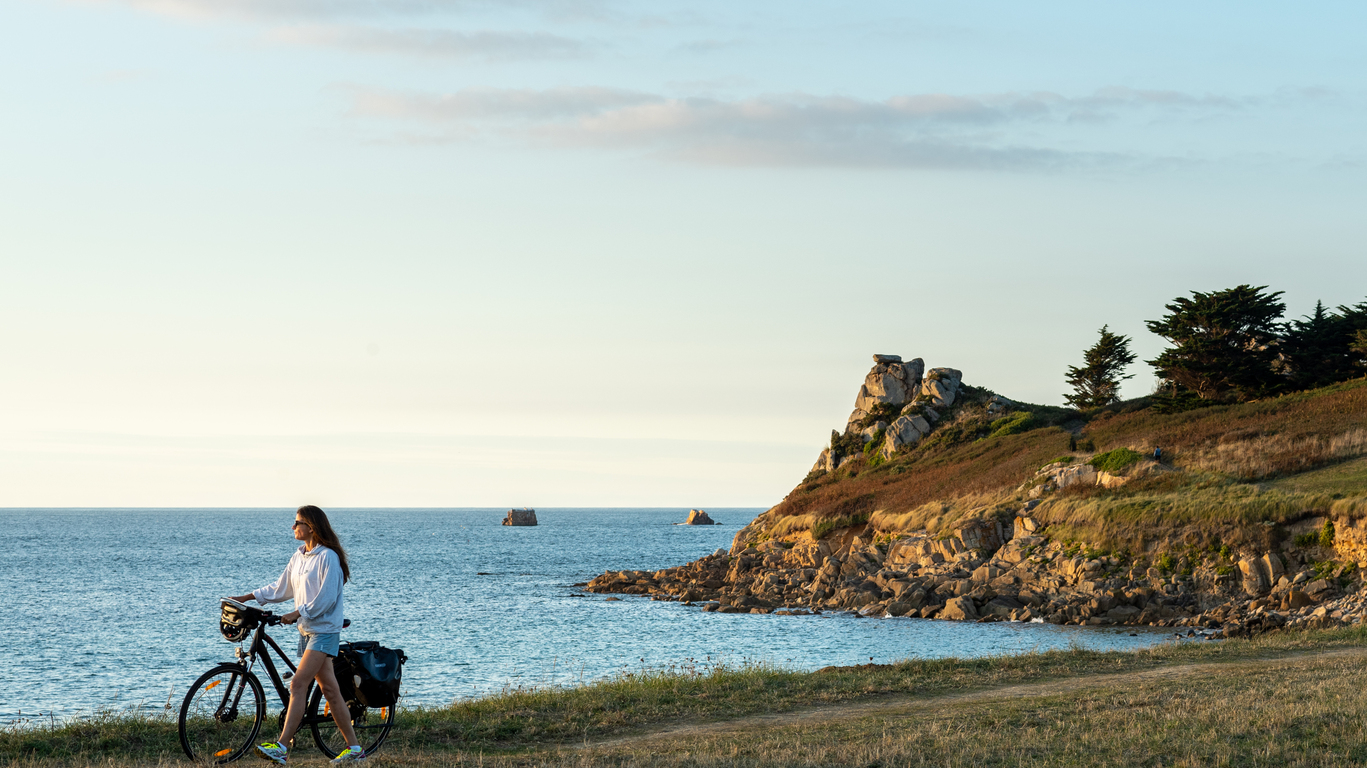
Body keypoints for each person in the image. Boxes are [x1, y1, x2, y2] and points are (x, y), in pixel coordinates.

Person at [227, 506, 365, 765]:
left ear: (311, 527)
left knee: (297, 684)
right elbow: (280, 588)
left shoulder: (328, 557)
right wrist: (247, 597)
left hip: (324, 631)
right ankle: (355, 748)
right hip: (307, 631)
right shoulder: (300, 556)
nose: (293, 527)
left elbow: (326, 599)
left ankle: (281, 747)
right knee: (331, 691)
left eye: (297, 522)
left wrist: (296, 612)